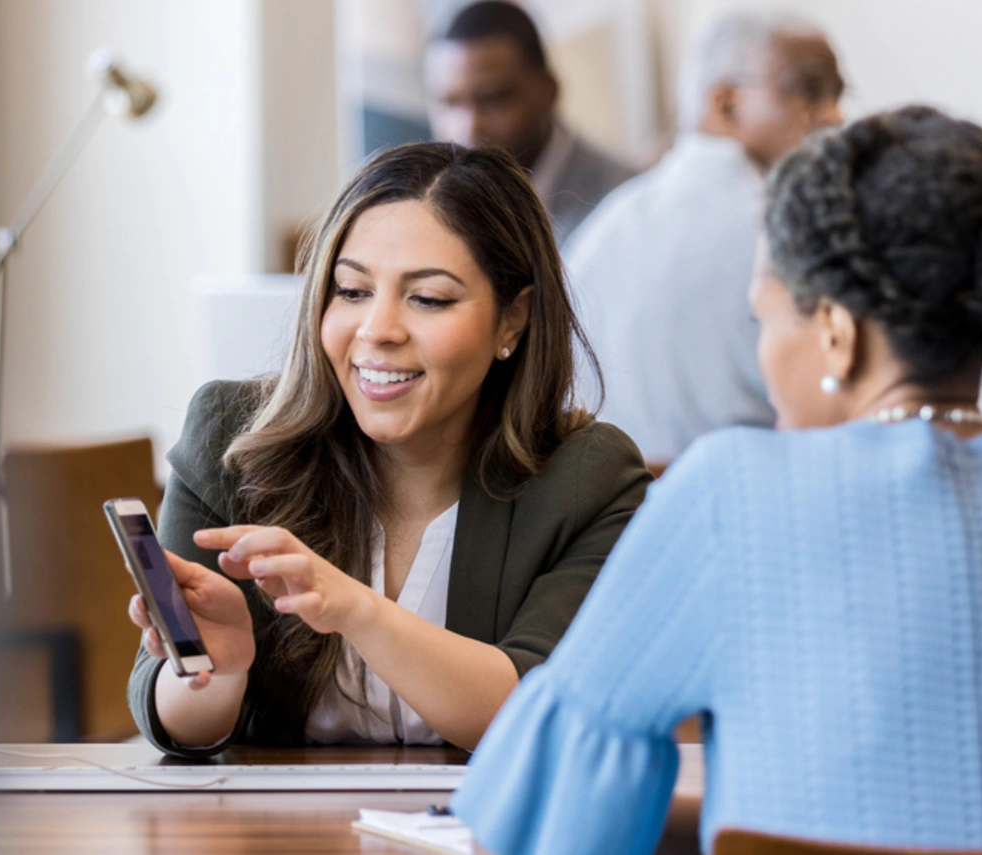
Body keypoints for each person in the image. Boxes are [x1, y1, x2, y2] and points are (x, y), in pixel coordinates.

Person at [453, 106, 982, 854]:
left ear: (837, 331)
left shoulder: (732, 494)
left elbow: (549, 817)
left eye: (763, 321)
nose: (763, 362)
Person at [124, 141, 650, 756]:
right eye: (351, 291)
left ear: (513, 318)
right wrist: (218, 669)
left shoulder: (590, 478)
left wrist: (356, 609)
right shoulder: (230, 440)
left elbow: (542, 712)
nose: (378, 330)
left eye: (428, 298)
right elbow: (173, 718)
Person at [566, 10, 844, 465]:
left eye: (838, 95)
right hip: (757, 513)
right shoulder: (787, 230)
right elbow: (843, 416)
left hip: (608, 523)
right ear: (725, 103)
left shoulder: (605, 227)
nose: (835, 117)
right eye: (809, 91)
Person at [425, 1, 636, 244]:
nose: (469, 126)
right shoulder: (428, 203)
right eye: (449, 103)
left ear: (549, 91)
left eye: (493, 99)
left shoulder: (623, 206)